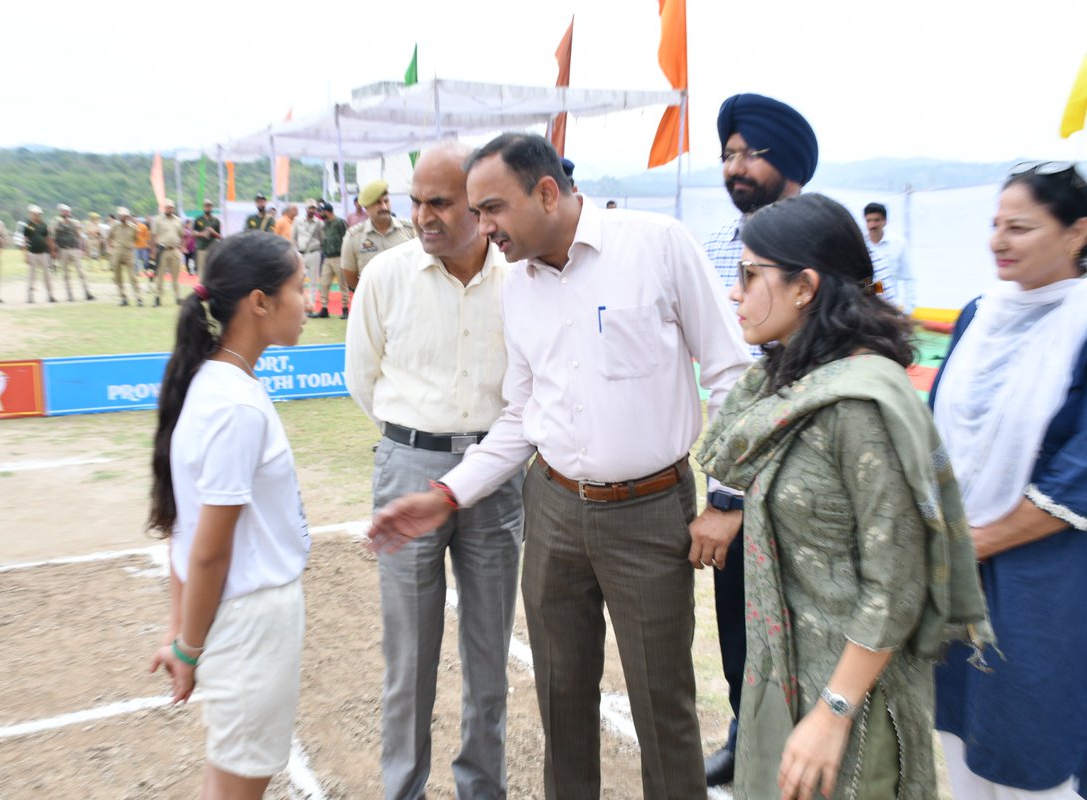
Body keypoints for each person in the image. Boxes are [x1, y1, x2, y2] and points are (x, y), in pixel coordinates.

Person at [367, 132, 753, 798]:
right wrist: (447, 494)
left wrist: (726, 500)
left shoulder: (657, 245)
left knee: (664, 706)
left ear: (546, 192)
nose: (482, 228)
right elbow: (520, 417)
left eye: (491, 209)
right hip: (551, 512)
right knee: (562, 700)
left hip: (651, 512)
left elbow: (732, 374)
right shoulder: (517, 288)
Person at [696, 192, 992, 800]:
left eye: (751, 276)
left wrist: (833, 712)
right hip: (786, 676)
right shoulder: (789, 384)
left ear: (804, 286)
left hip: (849, 702)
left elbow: (897, 581)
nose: (735, 292)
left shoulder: (860, 406)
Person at [345, 144, 523, 800]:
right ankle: (404, 790)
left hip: (497, 474)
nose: (423, 215)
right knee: (408, 661)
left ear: (478, 208)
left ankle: (482, 788)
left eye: (440, 202)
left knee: (488, 662)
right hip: (407, 468)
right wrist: (414, 443)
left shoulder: (519, 280)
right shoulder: (385, 276)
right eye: (416, 200)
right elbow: (361, 379)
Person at [932, 162, 1087, 799]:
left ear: (1078, 233)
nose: (999, 240)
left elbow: (1076, 477)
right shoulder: (978, 314)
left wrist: (972, 543)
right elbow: (939, 425)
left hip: (1044, 576)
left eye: (1020, 227)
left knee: (1032, 745)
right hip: (957, 568)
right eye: (995, 225)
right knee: (960, 736)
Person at [147, 231, 310, 800]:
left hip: (240, 619)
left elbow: (180, 526)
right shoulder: (234, 404)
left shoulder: (215, 385)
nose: (309, 303)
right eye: (299, 288)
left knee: (228, 781)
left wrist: (181, 631)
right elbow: (207, 547)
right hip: (251, 623)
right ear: (259, 302)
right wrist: (188, 646)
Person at [700, 91, 819, 788]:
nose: (735, 166)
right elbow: (727, 377)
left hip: (804, 477)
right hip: (730, 472)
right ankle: (747, 734)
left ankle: (809, 744)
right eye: (728, 155)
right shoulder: (717, 246)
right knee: (738, 618)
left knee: (806, 620)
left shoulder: (831, 241)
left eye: (749, 153)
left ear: (791, 164)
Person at [340, 179, 414, 293]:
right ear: (366, 207)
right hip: (373, 303)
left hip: (406, 300)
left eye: (386, 201)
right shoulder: (354, 237)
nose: (384, 207)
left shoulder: (410, 230)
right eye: (378, 203)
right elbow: (351, 277)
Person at [863, 202, 916, 315]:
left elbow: (908, 278)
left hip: (891, 307)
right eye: (869, 221)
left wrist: (908, 310)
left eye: (876, 220)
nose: (872, 225)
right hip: (866, 308)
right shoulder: (861, 244)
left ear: (885, 221)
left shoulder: (898, 243)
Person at [51, 203, 95, 301]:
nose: (66, 213)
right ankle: (69, 295)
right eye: (64, 211)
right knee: (66, 274)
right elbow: (53, 237)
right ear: (61, 212)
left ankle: (87, 292)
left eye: (67, 211)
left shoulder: (74, 222)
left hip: (74, 249)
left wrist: (82, 249)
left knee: (81, 272)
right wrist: (54, 252)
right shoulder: (56, 222)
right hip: (63, 249)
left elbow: (79, 236)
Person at [313, 201, 348, 318]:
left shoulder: (339, 222)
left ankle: (345, 309)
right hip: (327, 257)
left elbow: (347, 237)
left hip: (339, 257)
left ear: (327, 211)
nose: (320, 213)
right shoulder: (325, 224)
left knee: (342, 284)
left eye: (321, 211)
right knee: (324, 283)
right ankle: (324, 309)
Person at [293, 202, 324, 315]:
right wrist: (295, 251)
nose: (312, 210)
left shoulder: (319, 223)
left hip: (314, 253)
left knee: (313, 281)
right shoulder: (298, 221)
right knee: (298, 280)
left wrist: (317, 248)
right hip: (300, 253)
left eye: (314, 208)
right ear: (306, 209)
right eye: (310, 208)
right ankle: (299, 305)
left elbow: (322, 238)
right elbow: (293, 237)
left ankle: (310, 307)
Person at [153, 199, 184, 306]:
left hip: (175, 250)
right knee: (160, 275)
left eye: (170, 207)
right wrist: (153, 251)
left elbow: (181, 235)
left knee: (175, 276)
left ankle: (178, 297)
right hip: (163, 250)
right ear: (164, 208)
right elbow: (154, 236)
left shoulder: (178, 220)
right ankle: (157, 297)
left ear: (173, 209)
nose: (168, 209)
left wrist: (181, 247)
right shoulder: (158, 220)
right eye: (167, 207)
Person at [109, 207, 142, 306]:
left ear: (128, 216)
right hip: (117, 251)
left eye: (125, 215)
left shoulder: (133, 227)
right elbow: (109, 237)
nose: (123, 217)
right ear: (119, 216)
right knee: (118, 276)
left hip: (128, 252)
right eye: (121, 215)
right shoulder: (115, 226)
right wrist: (110, 249)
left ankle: (138, 297)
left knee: (132, 276)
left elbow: (136, 239)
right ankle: (123, 297)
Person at [23, 205, 55, 303]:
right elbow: (25, 240)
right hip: (33, 253)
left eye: (38, 214)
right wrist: (25, 254)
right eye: (35, 214)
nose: (37, 216)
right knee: (32, 275)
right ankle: (30, 296)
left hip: (44, 253)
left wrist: (52, 251)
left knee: (47, 275)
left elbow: (48, 239)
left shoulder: (43, 225)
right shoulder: (30, 225)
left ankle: (50, 295)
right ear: (31, 215)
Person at [193, 200, 222, 281]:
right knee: (201, 271)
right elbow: (193, 233)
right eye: (206, 206)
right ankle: (202, 289)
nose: (208, 208)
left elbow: (220, 236)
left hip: (212, 248)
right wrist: (202, 234)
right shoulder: (198, 219)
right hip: (201, 248)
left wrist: (213, 232)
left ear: (212, 207)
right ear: (203, 207)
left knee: (212, 270)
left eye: (209, 206)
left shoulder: (216, 220)